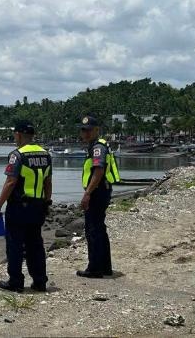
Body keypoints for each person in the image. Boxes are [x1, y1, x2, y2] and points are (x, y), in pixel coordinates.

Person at [0, 121, 52, 292]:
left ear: (18, 135)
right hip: (38, 206)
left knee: (15, 244)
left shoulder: (17, 155)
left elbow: (10, 182)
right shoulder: (46, 155)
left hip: (19, 206)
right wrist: (47, 202)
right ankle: (40, 281)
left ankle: (16, 281)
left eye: (14, 135)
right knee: (35, 244)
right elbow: (48, 182)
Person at [75, 115, 121, 279]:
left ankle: (95, 268)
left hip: (97, 191)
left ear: (96, 130)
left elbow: (99, 171)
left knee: (93, 229)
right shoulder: (96, 146)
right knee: (99, 228)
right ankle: (105, 267)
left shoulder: (97, 148)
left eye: (88, 130)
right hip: (101, 190)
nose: (85, 133)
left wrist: (87, 194)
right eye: (83, 130)